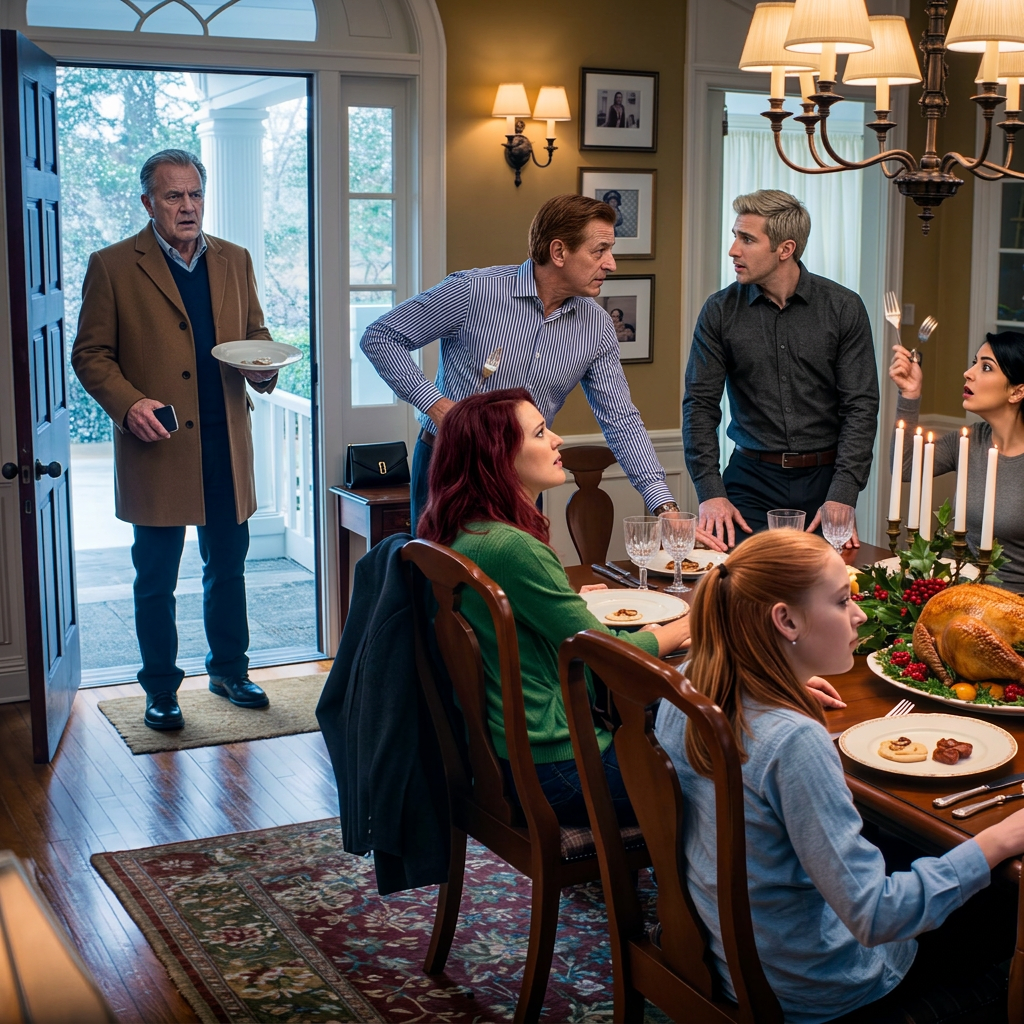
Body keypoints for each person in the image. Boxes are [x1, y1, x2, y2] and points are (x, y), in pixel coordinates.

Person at [655, 529, 1021, 1023]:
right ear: (785, 620)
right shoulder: (793, 742)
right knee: (1008, 904)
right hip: (819, 986)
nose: (862, 615)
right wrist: (999, 840)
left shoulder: (689, 684)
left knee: (911, 848)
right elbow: (877, 916)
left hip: (729, 951)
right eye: (843, 600)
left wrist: (787, 683)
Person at [362, 193, 724, 548]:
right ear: (559, 252)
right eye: (599, 251)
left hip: (523, 475)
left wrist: (665, 507)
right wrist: (440, 409)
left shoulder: (596, 326)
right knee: (439, 593)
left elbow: (621, 420)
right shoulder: (474, 291)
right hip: (451, 465)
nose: (611, 263)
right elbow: (381, 337)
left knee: (518, 593)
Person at [417, 388, 692, 826]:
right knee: (726, 772)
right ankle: (690, 890)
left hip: (508, 756)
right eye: (541, 432)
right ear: (499, 455)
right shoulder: (513, 547)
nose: (558, 439)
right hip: (561, 768)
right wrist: (682, 626)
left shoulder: (467, 531)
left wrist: (570, 603)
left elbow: (523, 624)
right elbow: (604, 655)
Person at [71, 150, 276, 731]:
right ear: (148, 203)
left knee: (228, 568)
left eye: (194, 195)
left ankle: (230, 671)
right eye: (173, 197)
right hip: (156, 442)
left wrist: (263, 366)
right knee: (156, 577)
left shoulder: (235, 260)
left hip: (224, 442)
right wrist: (128, 402)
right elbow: (90, 355)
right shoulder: (112, 266)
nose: (187, 207)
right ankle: (160, 687)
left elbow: (255, 332)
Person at [683, 189, 879, 547]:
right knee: (743, 591)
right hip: (750, 483)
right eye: (735, 237)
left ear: (785, 249)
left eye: (747, 239)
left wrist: (844, 492)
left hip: (826, 485)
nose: (734, 251)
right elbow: (699, 405)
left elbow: (861, 408)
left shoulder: (843, 307)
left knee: (824, 594)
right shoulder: (720, 311)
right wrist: (710, 492)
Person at [890, 331, 1024, 592]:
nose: (968, 372)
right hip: (953, 593)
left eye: (986, 367)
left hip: (1011, 609)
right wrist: (910, 394)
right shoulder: (969, 441)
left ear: (1017, 392)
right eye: (975, 362)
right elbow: (905, 467)